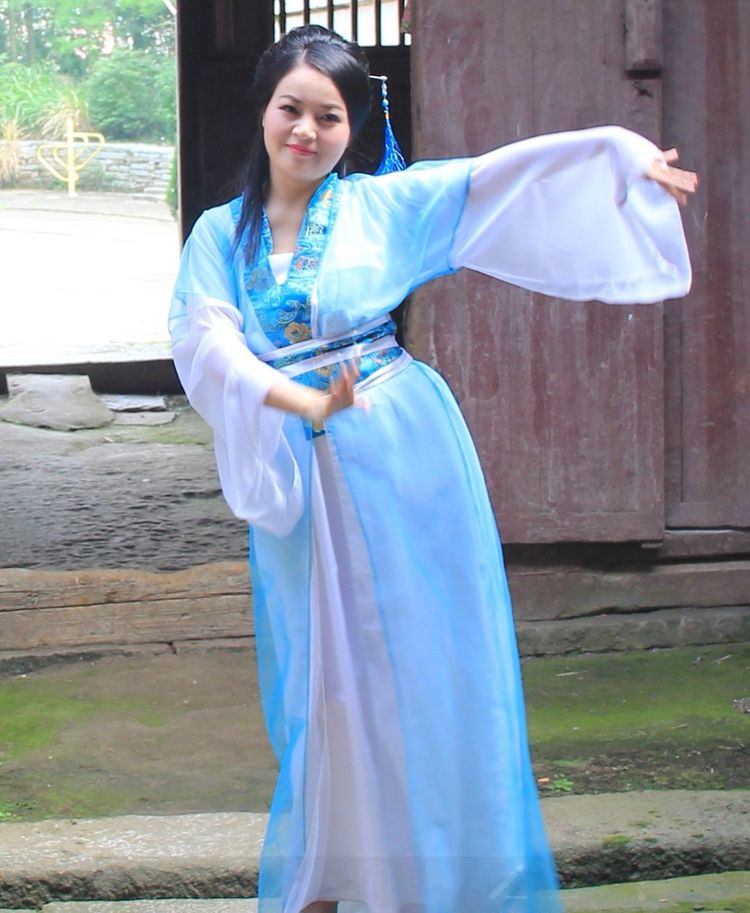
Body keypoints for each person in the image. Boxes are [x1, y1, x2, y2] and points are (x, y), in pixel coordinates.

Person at [169, 25, 696, 913]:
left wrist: (616, 152)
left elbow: (496, 180)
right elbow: (206, 339)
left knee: (417, 666)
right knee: (325, 680)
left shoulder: (384, 206)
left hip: (399, 446)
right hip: (302, 469)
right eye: (292, 109)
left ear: (352, 127)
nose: (306, 131)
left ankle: (432, 881)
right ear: (263, 110)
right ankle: (338, 873)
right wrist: (298, 402)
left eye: (329, 116)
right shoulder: (221, 235)